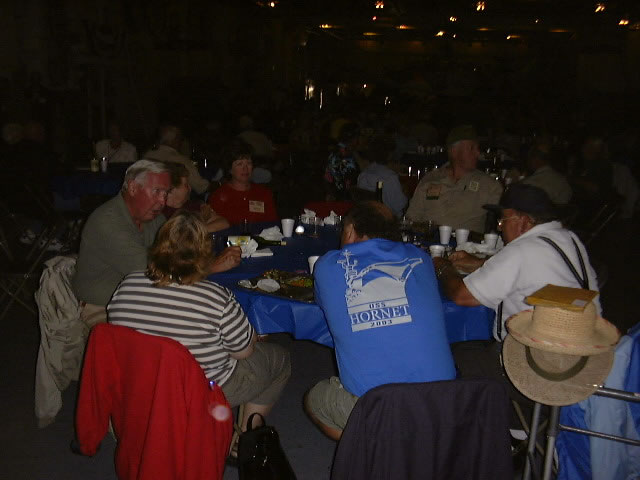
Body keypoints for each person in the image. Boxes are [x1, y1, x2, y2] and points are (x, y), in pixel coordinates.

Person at [108, 211, 290, 434]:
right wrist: (252, 334)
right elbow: (243, 353)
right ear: (205, 252)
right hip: (201, 391)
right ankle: (245, 438)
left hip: (141, 384)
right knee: (278, 359)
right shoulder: (216, 297)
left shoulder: (127, 284)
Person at [304, 201, 456, 440]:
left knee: (314, 398)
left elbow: (324, 304)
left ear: (350, 230)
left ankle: (379, 447)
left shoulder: (327, 265)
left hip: (378, 409)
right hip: (445, 402)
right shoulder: (421, 258)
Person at [72, 160, 241, 326]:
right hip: (101, 308)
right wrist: (211, 267)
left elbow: (176, 255)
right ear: (133, 188)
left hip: (143, 298)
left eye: (165, 193)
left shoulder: (153, 217)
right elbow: (153, 272)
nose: (162, 201)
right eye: (157, 191)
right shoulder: (107, 221)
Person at [406, 125, 503, 232]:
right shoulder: (431, 179)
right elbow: (412, 218)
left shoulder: (488, 185)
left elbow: (505, 217)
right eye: (472, 148)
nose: (478, 153)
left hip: (468, 241)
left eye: (477, 148)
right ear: (454, 151)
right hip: (430, 239)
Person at [208, 140, 278, 225]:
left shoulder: (264, 193)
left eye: (248, 163)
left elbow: (273, 225)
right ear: (230, 169)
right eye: (239, 164)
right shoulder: (218, 197)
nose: (245, 168)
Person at [144, 124, 211, 195]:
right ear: (175, 140)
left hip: (148, 196)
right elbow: (201, 187)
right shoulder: (180, 160)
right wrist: (217, 184)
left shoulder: (147, 155)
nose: (182, 142)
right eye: (181, 139)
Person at [163, 162, 230, 232]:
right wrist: (201, 221)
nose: (190, 188)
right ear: (171, 189)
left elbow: (224, 222)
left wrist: (199, 229)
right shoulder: (161, 213)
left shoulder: (193, 206)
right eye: (186, 185)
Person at [356, 135, 408, 217]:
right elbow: (400, 205)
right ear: (389, 154)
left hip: (367, 217)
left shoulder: (363, 174)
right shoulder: (390, 177)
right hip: (388, 219)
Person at [324, 122, 362, 200]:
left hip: (338, 193)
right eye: (358, 137)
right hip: (341, 196)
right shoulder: (343, 154)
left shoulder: (345, 150)